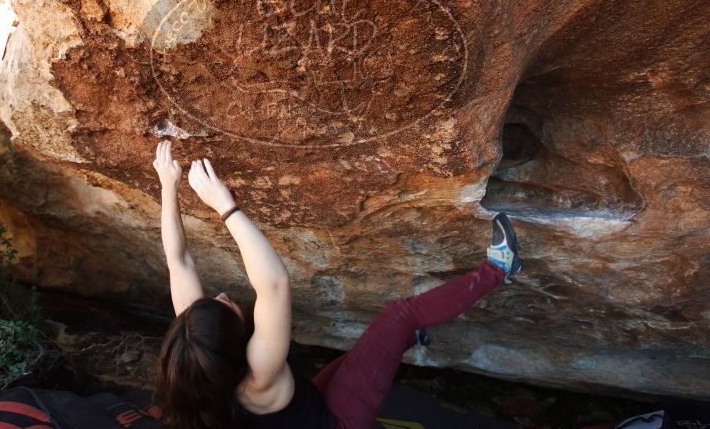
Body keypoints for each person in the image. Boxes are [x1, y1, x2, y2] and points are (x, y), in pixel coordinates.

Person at [152, 140, 523, 429]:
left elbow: (178, 260)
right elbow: (275, 283)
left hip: (307, 407)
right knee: (399, 316)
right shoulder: (259, 371)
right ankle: (500, 267)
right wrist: (225, 207)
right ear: (235, 344)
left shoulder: (201, 362)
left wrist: (168, 185)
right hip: (339, 424)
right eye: (223, 305)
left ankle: (406, 340)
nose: (220, 296)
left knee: (367, 352)